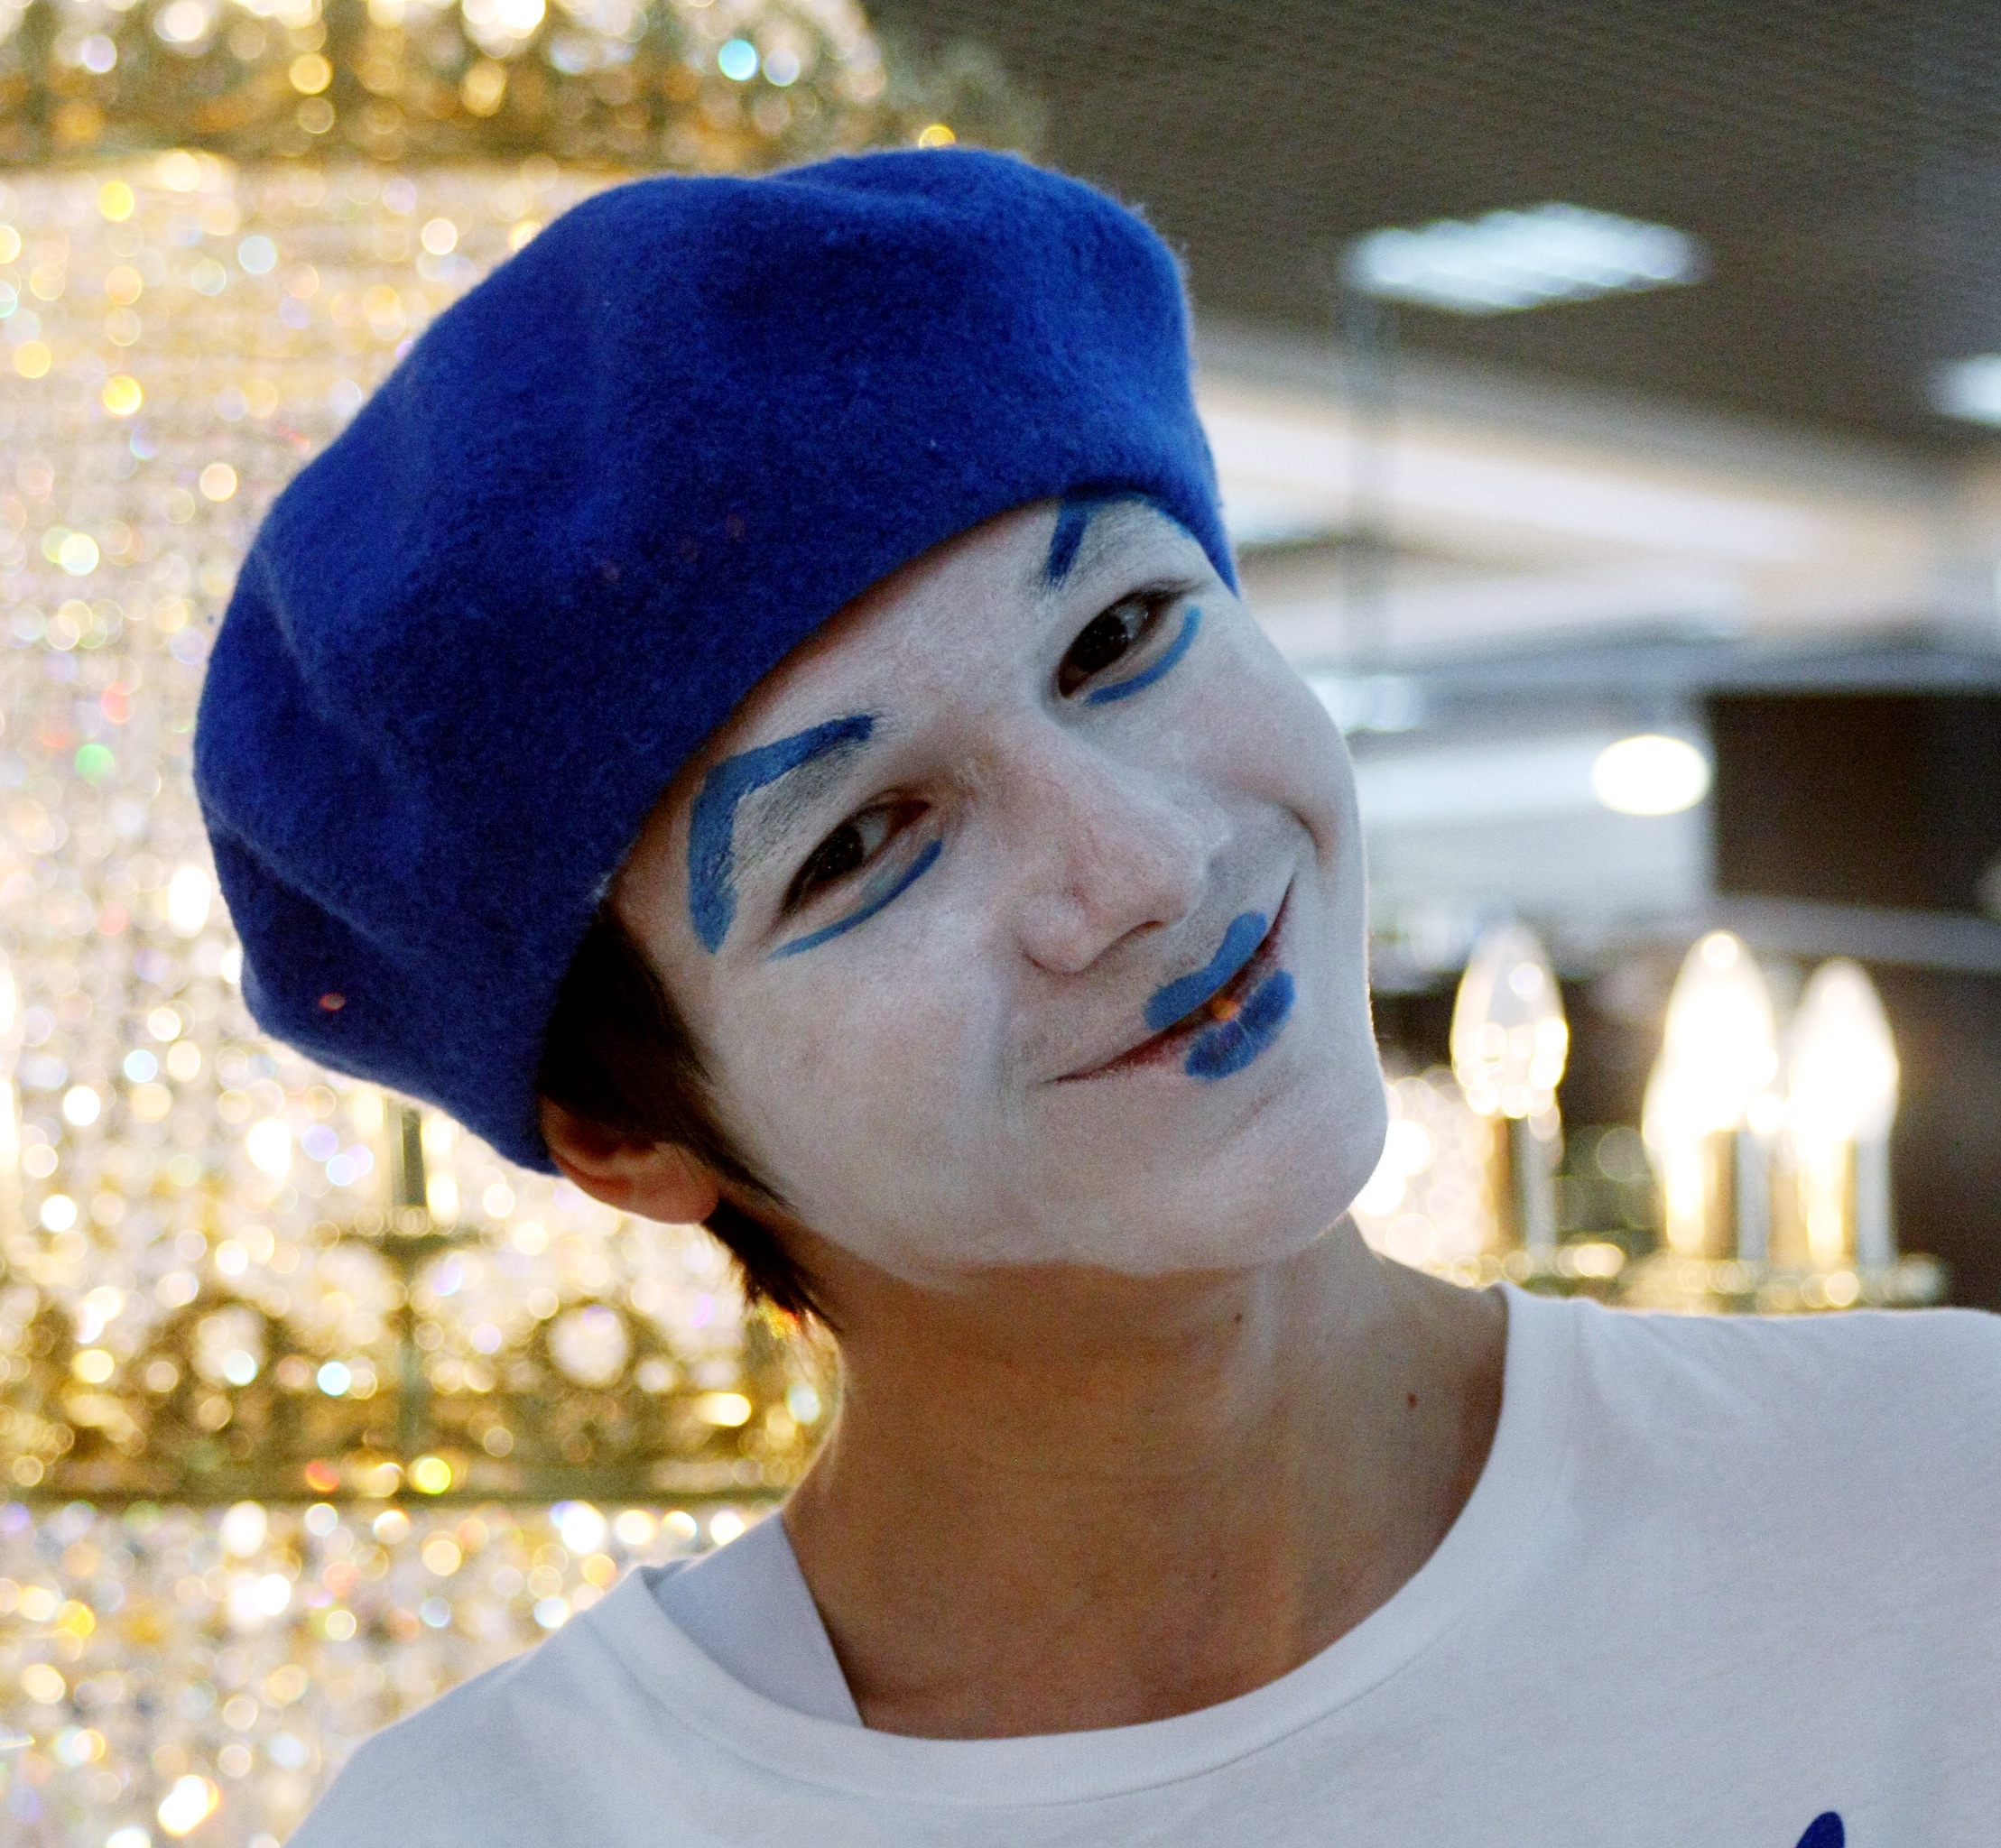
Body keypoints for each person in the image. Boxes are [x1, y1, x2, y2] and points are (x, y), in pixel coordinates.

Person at [195, 151, 2000, 1848]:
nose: (1139, 864)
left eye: (1118, 638)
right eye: (862, 839)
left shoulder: (1939, 1504)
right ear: (624, 1133)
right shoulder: (510, 1821)